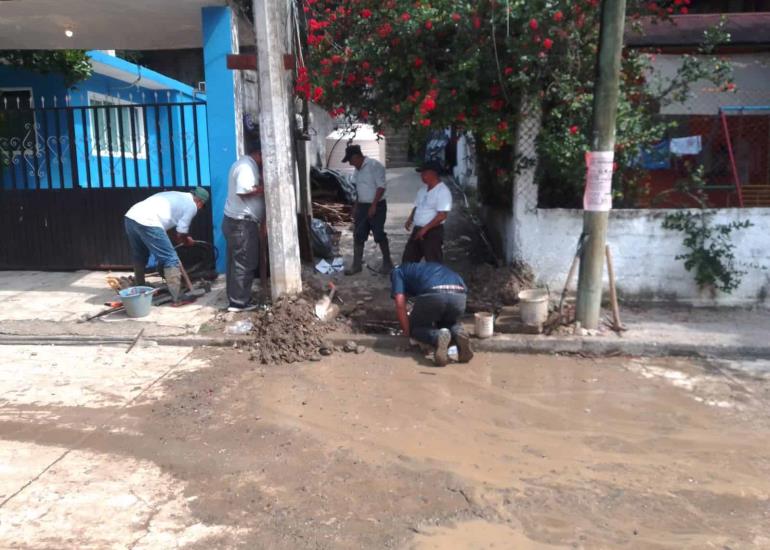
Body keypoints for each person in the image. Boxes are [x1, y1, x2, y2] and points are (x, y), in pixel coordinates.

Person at [124, 187, 209, 302]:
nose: (199, 209)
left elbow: (169, 228)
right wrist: (187, 241)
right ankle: (178, 298)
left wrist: (179, 238)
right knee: (171, 259)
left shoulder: (176, 195)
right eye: (201, 206)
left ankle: (140, 286)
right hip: (148, 221)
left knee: (140, 254)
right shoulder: (191, 205)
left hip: (131, 216)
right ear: (200, 202)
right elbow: (182, 232)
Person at [390, 262, 473, 366]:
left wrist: (407, 331)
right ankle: (458, 332)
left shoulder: (397, 271)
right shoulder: (427, 269)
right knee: (447, 323)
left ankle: (437, 337)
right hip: (459, 296)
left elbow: (400, 303)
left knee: (416, 328)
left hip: (433, 295)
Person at [222, 143, 267, 312]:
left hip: (237, 222)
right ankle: (239, 303)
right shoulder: (246, 167)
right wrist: (264, 189)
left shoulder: (245, 164)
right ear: (259, 153)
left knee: (236, 263)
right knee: (245, 262)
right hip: (241, 223)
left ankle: (236, 299)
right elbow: (243, 190)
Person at [342, 144, 393, 275]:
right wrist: (356, 206)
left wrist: (374, 205)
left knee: (378, 234)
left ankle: (388, 263)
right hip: (363, 206)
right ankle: (356, 265)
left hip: (378, 205)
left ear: (357, 157)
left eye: (351, 160)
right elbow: (359, 190)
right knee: (358, 234)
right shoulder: (357, 170)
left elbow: (381, 187)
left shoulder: (375, 166)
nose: (351, 163)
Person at [402, 160, 452, 264]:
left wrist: (425, 229)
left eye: (424, 173)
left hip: (433, 231)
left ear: (432, 173)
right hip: (418, 229)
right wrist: (410, 219)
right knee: (408, 258)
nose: (421, 176)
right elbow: (417, 206)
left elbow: (442, 216)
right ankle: (409, 278)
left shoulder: (443, 191)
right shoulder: (423, 190)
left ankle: (436, 280)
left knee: (433, 261)